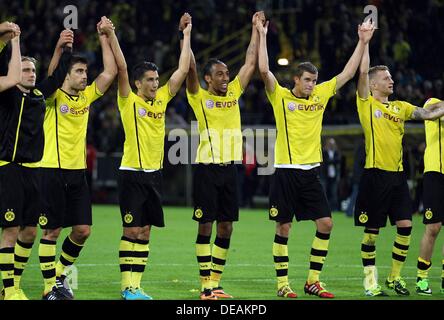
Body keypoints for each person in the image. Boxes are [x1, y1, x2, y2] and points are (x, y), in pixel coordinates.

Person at [256, 17, 375, 299]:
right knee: (283, 227)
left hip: (310, 172)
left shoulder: (320, 95)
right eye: (307, 80)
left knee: (326, 223)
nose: (312, 85)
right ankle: (283, 284)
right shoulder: (281, 97)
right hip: (286, 171)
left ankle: (312, 280)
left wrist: (362, 41)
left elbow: (347, 73)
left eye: (314, 80)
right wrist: (261, 35)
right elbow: (263, 69)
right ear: (296, 80)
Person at [104, 15, 192, 300]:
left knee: (146, 232)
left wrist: (185, 34)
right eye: (150, 80)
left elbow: (182, 68)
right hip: (131, 172)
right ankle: (125, 287)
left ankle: (137, 286)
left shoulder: (163, 99)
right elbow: (121, 67)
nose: (155, 84)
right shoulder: (129, 101)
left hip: (154, 175)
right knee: (131, 230)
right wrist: (111, 34)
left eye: (156, 79)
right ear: (138, 84)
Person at [354, 34, 444, 297]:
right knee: (372, 232)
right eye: (386, 78)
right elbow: (361, 72)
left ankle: (395, 277)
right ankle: (370, 281)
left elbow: (427, 113)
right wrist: (365, 42)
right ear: (372, 85)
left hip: (397, 177)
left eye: (391, 77)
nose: (392, 80)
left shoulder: (401, 107)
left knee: (405, 226)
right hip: (375, 175)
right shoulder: (366, 104)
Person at [35, 17, 117, 300]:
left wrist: (106, 37)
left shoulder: (85, 98)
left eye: (85, 71)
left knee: (82, 230)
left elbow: (110, 72)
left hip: (77, 173)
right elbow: (52, 75)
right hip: (50, 170)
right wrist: (59, 49)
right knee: (51, 231)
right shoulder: (52, 97)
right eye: (80, 71)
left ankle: (58, 275)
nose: (85, 76)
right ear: (66, 76)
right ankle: (49, 290)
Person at [181, 12, 262, 300]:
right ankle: (205, 285)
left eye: (227, 73)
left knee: (226, 226)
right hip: (207, 168)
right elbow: (188, 67)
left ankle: (216, 282)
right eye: (220, 74)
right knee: (206, 224)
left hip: (230, 169)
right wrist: (187, 34)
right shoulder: (198, 96)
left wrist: (255, 30)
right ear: (207, 78)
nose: (226, 78)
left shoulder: (233, 94)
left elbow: (250, 62)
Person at [0, 24, 73, 300]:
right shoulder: (7, 95)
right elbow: (10, 74)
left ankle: (13, 283)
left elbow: (56, 76)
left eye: (33, 70)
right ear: (17, 73)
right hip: (9, 168)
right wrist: (14, 41)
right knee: (9, 230)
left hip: (34, 171)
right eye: (26, 70)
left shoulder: (39, 96)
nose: (31, 74)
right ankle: (10, 290)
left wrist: (64, 46)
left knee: (29, 231)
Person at [415, 97, 444, 296]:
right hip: (435, 172)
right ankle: (422, 277)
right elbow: (429, 113)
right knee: (433, 227)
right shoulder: (432, 102)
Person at [321, 138, 341, 211]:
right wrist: (332, 161)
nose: (331, 145)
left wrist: (331, 161)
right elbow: (324, 162)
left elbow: (339, 160)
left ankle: (334, 208)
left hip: (334, 176)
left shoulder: (336, 152)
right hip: (325, 175)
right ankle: (324, 208)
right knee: (324, 192)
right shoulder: (324, 152)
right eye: (330, 144)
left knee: (334, 192)